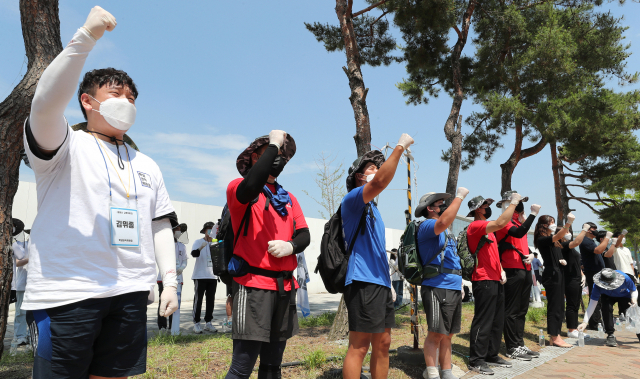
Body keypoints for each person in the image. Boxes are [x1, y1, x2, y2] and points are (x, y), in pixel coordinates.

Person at [21, 7, 179, 378]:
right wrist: (85, 38)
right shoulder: (64, 145)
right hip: (67, 293)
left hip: (130, 293)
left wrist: (168, 281)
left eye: (132, 97)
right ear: (87, 102)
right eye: (116, 93)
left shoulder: (147, 164)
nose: (126, 101)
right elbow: (43, 104)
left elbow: (159, 225)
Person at [225, 131, 311, 379]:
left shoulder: (289, 198)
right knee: (242, 367)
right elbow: (251, 185)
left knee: (273, 365)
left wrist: (291, 246)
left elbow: (304, 234)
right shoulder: (239, 189)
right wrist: (273, 143)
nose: (277, 159)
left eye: (281, 156)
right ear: (253, 158)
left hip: (284, 286)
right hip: (252, 286)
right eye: (270, 155)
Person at [341, 134, 414, 379]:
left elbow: (376, 248)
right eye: (371, 168)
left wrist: (387, 283)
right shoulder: (353, 200)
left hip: (380, 283)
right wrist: (400, 147)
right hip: (362, 281)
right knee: (359, 346)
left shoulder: (374, 210)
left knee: (383, 344)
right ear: (358, 177)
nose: (377, 171)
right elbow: (381, 182)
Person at [414, 188, 469, 379]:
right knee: (436, 333)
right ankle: (432, 373)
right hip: (437, 286)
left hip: (452, 286)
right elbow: (444, 220)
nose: (444, 206)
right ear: (430, 208)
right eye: (440, 204)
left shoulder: (445, 231)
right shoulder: (428, 225)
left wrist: (460, 283)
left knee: (448, 334)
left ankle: (446, 371)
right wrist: (460, 197)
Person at [466, 193, 522, 375]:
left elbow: (493, 254)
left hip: (495, 278)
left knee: (497, 320)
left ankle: (491, 354)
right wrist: (513, 203)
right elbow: (500, 223)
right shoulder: (476, 226)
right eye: (485, 205)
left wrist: (501, 270)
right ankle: (476, 359)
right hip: (483, 279)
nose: (488, 207)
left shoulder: (487, 231)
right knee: (484, 320)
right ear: (476, 210)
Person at [494, 191, 540, 361]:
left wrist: (532, 254)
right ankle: (512, 346)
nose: (521, 206)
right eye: (517, 203)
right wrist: (533, 215)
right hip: (511, 269)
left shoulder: (518, 222)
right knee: (512, 310)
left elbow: (521, 243)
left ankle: (519, 343)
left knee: (522, 310)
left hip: (524, 268)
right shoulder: (505, 222)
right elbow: (519, 233)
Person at [533, 214, 576, 348]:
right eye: (551, 222)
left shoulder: (554, 241)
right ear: (544, 225)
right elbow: (557, 235)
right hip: (552, 274)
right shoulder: (542, 239)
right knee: (555, 306)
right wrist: (568, 222)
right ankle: (554, 336)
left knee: (559, 306)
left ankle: (556, 335)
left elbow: (562, 240)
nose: (553, 224)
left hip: (558, 272)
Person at [578, 268, 639, 346]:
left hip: (624, 295)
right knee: (606, 309)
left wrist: (634, 299)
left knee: (629, 314)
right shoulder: (597, 286)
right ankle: (610, 334)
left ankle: (639, 331)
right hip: (607, 296)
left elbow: (633, 290)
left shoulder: (625, 278)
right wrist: (585, 322)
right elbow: (592, 304)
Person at [559, 224, 589, 339]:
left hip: (577, 278)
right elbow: (576, 242)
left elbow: (575, 263)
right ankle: (571, 330)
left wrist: (582, 275)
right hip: (569, 278)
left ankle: (575, 328)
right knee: (571, 304)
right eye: (565, 231)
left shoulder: (571, 248)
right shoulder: (563, 245)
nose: (568, 233)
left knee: (576, 303)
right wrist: (584, 230)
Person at [157, 223, 188, 334]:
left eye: (180, 229)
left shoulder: (182, 246)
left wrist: (182, 267)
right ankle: (162, 326)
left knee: (174, 304)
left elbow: (185, 260)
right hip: (163, 278)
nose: (179, 231)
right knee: (164, 301)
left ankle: (172, 327)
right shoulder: (164, 245)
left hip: (178, 279)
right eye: (177, 229)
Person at [580, 222, 610, 331]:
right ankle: (594, 323)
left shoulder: (591, 241)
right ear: (588, 230)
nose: (596, 231)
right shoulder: (585, 240)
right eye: (594, 229)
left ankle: (597, 320)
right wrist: (607, 238)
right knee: (595, 297)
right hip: (592, 272)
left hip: (597, 272)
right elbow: (598, 250)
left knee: (600, 298)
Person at [191, 221, 219, 333]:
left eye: (211, 229)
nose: (209, 231)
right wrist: (200, 248)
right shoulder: (198, 242)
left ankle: (208, 322)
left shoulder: (215, 243)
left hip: (213, 276)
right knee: (198, 300)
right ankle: (196, 323)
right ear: (204, 231)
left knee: (210, 300)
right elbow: (194, 254)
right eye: (208, 229)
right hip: (200, 275)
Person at [11, 221, 29, 350]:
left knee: (36, 312)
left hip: (36, 284)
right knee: (20, 312)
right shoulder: (20, 244)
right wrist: (32, 257)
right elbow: (18, 262)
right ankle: (20, 336)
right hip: (22, 283)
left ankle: (31, 335)